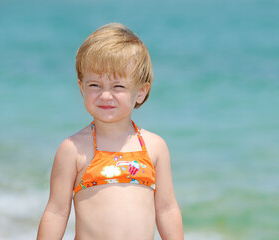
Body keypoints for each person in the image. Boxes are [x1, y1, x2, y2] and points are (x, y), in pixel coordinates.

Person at [37, 23, 183, 240]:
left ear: (141, 92)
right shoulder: (73, 149)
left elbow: (166, 209)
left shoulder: (154, 147)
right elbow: (56, 212)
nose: (105, 96)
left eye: (118, 87)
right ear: (81, 87)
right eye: (94, 85)